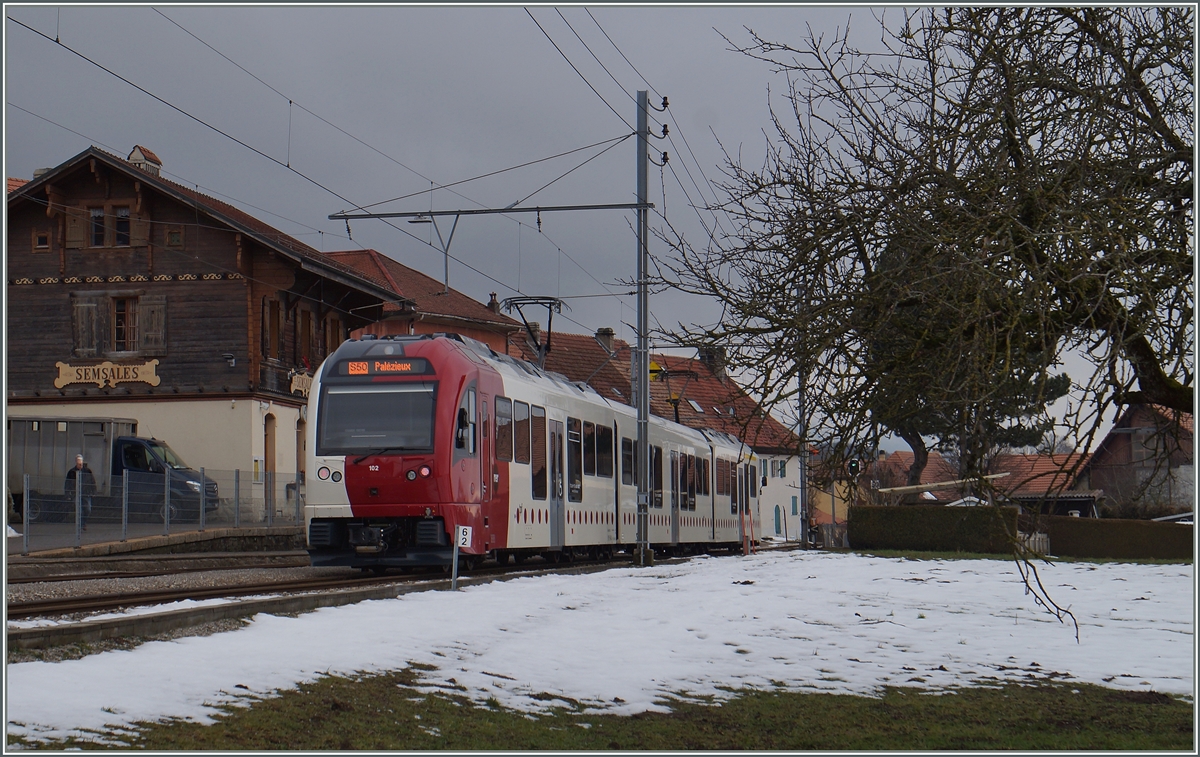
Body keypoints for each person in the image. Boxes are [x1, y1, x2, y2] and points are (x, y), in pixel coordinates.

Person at [65, 454, 96, 530]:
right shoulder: (71, 472)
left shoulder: (88, 471)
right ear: (76, 462)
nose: (80, 465)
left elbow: (92, 481)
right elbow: (67, 483)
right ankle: (80, 525)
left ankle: (83, 522)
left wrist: (94, 491)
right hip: (76, 494)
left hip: (86, 493)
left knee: (88, 509)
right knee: (79, 510)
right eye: (79, 463)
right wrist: (68, 494)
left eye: (81, 463)